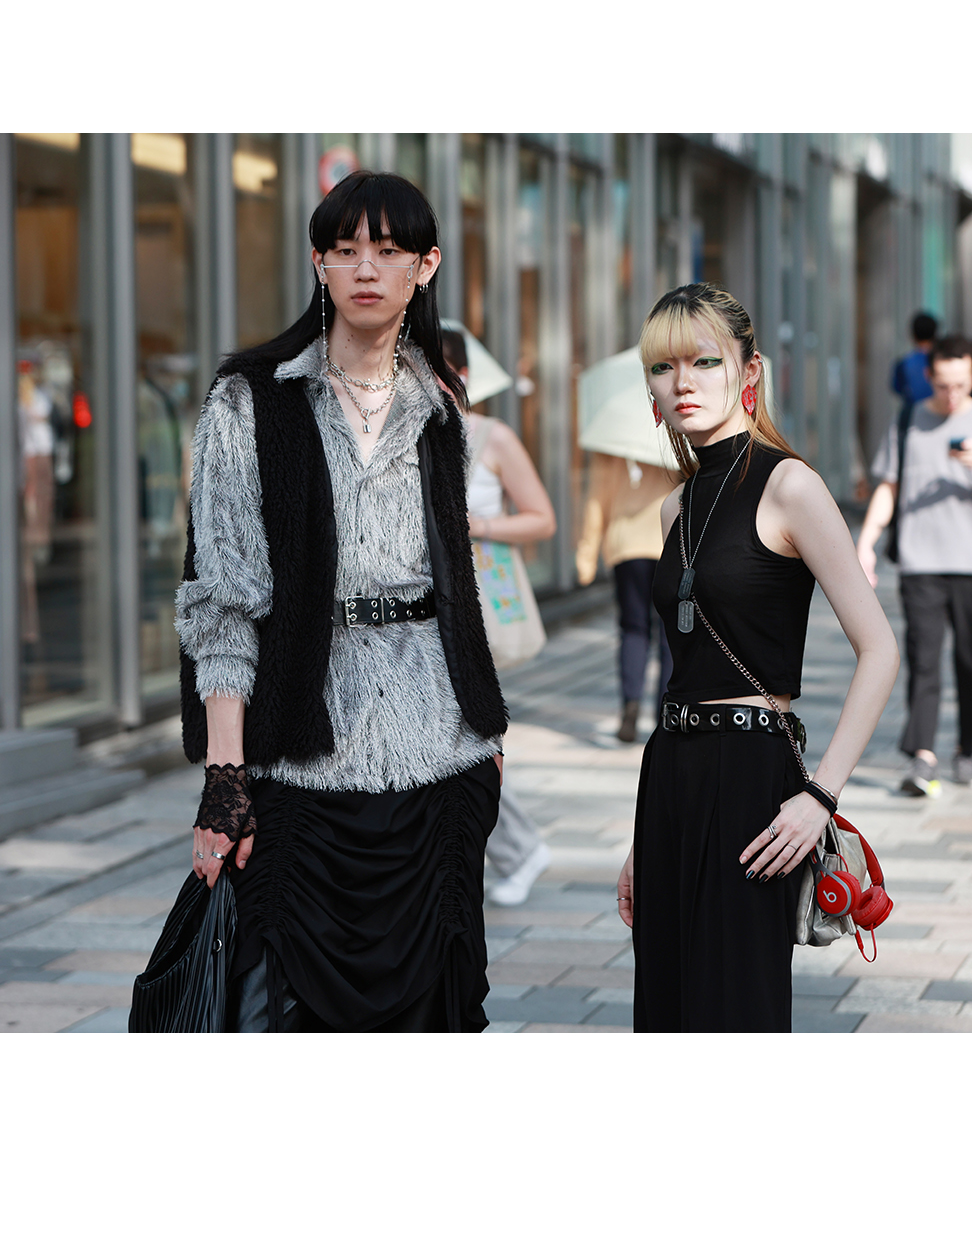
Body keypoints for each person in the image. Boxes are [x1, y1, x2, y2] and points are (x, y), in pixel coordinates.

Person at [174, 170, 508, 1032]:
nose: (366, 267)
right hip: (300, 758)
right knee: (286, 1008)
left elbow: (455, 581)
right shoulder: (250, 400)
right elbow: (222, 602)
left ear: (425, 267)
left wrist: (487, 737)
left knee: (433, 1012)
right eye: (345, 248)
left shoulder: (440, 405)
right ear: (318, 262)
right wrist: (225, 779)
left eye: (389, 250)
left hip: (441, 754)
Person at [616, 284, 898, 1033]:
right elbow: (685, 666)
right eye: (662, 367)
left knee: (735, 1009)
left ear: (749, 371)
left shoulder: (789, 485)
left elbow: (879, 649)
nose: (681, 382)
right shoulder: (676, 506)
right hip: (669, 774)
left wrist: (821, 795)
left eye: (704, 361)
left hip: (750, 778)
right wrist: (644, 839)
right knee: (666, 1012)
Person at [857, 334, 972, 795]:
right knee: (923, 659)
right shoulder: (908, 419)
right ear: (929, 376)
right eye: (943, 384)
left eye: (961, 384)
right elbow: (888, 488)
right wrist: (866, 542)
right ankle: (923, 756)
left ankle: (968, 748)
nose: (951, 394)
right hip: (921, 561)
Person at [441, 327, 556, 906]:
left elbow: (542, 518)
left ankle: (517, 847)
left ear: (463, 376)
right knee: (451, 733)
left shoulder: (492, 437)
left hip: (478, 601)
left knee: (465, 730)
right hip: (423, 607)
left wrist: (478, 526)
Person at [576, 452, 674, 742]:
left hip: (627, 545)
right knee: (670, 634)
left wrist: (586, 555)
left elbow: (597, 500)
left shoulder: (612, 445)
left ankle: (630, 708)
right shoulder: (674, 440)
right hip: (668, 540)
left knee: (633, 628)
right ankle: (665, 715)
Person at [891, 311, 938, 406]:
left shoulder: (904, 363)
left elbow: (897, 388)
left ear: (913, 335)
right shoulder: (942, 361)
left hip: (914, 410)